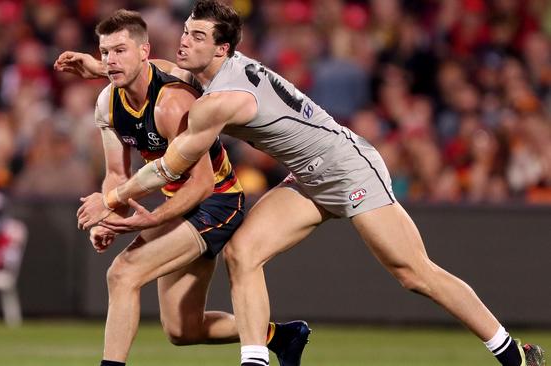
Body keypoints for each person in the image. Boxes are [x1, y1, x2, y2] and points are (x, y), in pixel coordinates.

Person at [61, 2, 547, 366]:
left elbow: (168, 167)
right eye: (185, 32)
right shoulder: (207, 74)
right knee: (241, 253)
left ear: (222, 49)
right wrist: (99, 67)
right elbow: (156, 70)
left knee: (413, 273)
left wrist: (111, 199)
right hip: (307, 178)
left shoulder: (220, 100)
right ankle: (257, 357)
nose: (183, 43)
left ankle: (513, 353)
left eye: (196, 37)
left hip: (348, 167)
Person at [54, 10, 310, 366]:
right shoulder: (107, 105)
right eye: (105, 52)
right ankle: (281, 336)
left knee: (123, 273)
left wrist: (144, 220)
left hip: (218, 203)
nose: (111, 60)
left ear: (144, 52)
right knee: (182, 330)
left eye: (120, 51)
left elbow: (203, 183)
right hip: (183, 201)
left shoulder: (172, 102)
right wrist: (110, 216)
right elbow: (116, 174)